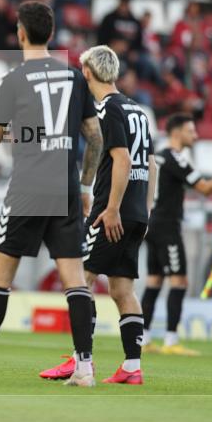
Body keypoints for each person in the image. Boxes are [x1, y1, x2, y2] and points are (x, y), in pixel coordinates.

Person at [0, 2, 102, 383]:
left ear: (20, 33)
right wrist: (85, 185)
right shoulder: (76, 78)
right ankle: (85, 367)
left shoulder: (14, 79)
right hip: (66, 188)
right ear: (52, 32)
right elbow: (95, 138)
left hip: (28, 187)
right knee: (75, 280)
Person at [56, 45, 156, 386]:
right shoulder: (136, 109)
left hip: (111, 212)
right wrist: (145, 208)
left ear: (87, 73)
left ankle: (80, 360)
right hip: (138, 211)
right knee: (121, 288)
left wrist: (111, 208)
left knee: (79, 279)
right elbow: (150, 164)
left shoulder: (108, 107)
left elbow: (123, 160)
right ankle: (131, 366)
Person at [140, 114, 212, 355]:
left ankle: (144, 339)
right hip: (167, 226)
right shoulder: (175, 157)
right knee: (179, 281)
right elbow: (205, 188)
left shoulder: (158, 154)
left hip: (152, 222)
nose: (195, 135)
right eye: (191, 131)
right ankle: (171, 340)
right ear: (177, 132)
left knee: (154, 281)